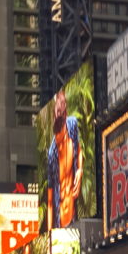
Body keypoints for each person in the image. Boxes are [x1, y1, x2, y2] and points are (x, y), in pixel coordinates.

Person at [47, 89, 84, 230]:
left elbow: (79, 150)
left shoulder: (72, 125)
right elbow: (50, 202)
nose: (59, 142)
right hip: (61, 220)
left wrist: (79, 170)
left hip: (75, 213)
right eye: (57, 140)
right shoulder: (51, 154)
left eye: (61, 137)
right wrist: (51, 233)